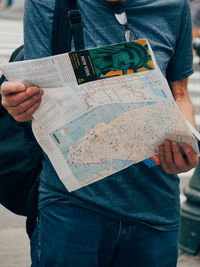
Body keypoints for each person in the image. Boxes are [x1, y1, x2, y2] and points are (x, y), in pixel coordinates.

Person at [1, 0, 199, 266]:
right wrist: (20, 105)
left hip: (156, 209)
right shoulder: (46, 3)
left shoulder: (174, 5)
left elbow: (180, 93)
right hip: (71, 207)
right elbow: (33, 94)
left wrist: (188, 146)